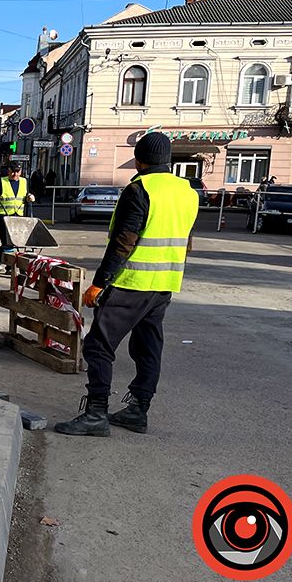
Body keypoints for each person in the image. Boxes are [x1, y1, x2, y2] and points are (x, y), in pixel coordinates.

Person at [55, 132, 199, 437]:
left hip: (132, 281)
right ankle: (138, 411)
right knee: (148, 346)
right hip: (164, 283)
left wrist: (99, 283)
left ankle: (96, 414)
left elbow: (124, 242)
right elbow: (186, 241)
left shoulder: (140, 189)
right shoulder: (187, 191)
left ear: (139, 159)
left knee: (98, 345)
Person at [0, 163, 34, 272]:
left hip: (17, 215)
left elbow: (26, 195)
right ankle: (10, 266)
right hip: (3, 216)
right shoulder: (2, 181)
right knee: (7, 241)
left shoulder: (24, 182)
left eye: (17, 172)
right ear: (8, 171)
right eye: (13, 172)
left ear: (20, 172)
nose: (15, 174)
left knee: (14, 241)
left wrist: (30, 197)